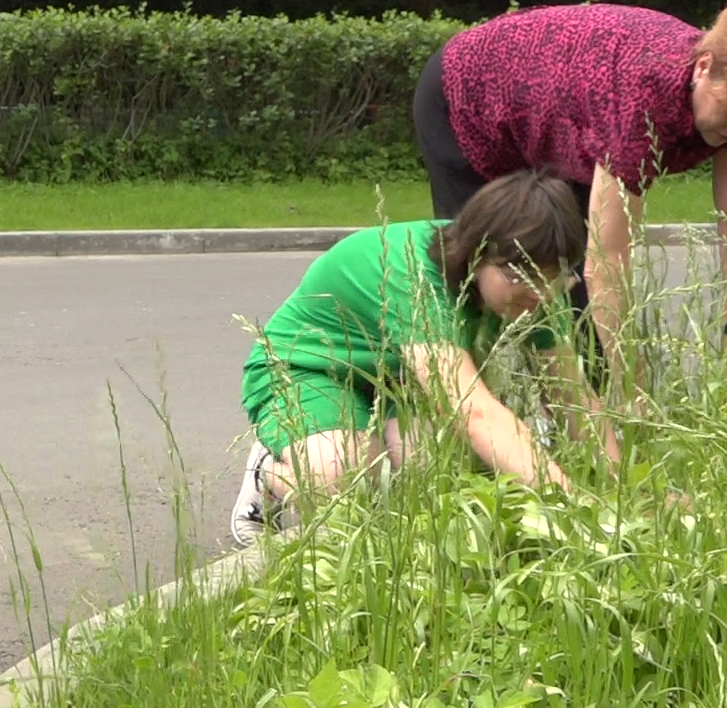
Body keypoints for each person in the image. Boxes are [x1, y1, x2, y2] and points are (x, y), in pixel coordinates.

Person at [413, 0, 727, 388]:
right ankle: (456, 405)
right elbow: (607, 262)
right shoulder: (643, 98)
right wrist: (633, 386)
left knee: (566, 286)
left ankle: (575, 425)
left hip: (565, 127)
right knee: (485, 273)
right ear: (704, 67)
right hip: (467, 99)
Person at [231, 171, 617, 545]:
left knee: (429, 477)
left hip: (401, 379)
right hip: (310, 369)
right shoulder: (414, 274)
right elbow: (475, 413)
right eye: (522, 277)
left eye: (553, 280)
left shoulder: (535, 290)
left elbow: (573, 398)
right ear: (478, 253)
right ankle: (269, 472)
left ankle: (342, 445)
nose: (538, 295)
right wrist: (572, 505)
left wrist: (624, 491)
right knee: (345, 479)